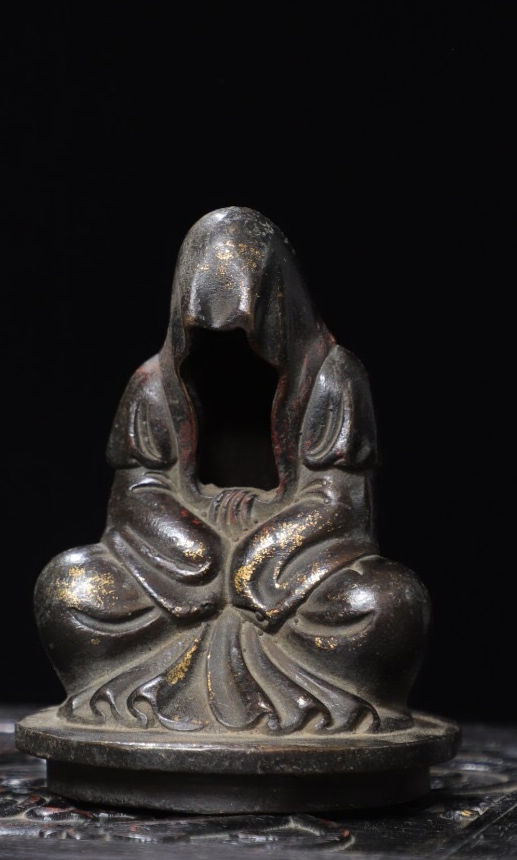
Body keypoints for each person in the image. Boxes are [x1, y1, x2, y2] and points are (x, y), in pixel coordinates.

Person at [34, 206, 430, 734]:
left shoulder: (333, 378)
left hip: (289, 582)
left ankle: (317, 699)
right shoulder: (153, 386)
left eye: (247, 330)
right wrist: (203, 549)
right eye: (205, 334)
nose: (228, 347)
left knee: (387, 601)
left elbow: (339, 501)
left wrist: (253, 555)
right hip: (178, 582)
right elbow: (136, 495)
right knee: (70, 585)